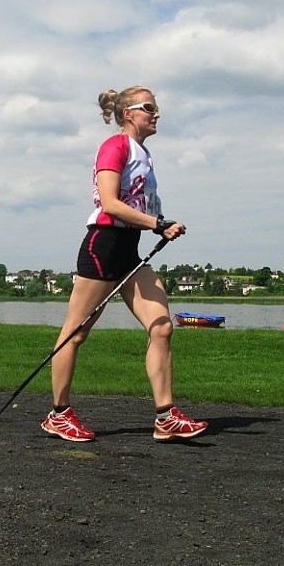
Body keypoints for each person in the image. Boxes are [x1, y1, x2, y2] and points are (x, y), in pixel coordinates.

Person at [41, 85, 207, 442]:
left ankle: (166, 417)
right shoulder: (114, 146)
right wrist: (157, 225)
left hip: (129, 249)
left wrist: (159, 223)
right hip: (104, 245)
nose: (156, 113)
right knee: (76, 332)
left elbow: (142, 207)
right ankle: (58, 414)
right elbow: (111, 203)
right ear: (128, 113)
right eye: (149, 107)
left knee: (162, 327)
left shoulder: (143, 154)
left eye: (156, 107)